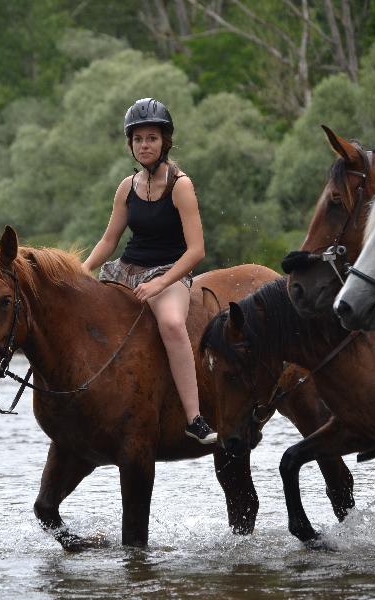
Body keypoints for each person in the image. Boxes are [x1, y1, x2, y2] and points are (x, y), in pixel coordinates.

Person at [81, 98, 216, 444]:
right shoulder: (126, 187)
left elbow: (197, 251)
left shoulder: (180, 185)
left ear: (164, 142)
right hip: (126, 268)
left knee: (171, 324)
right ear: (131, 144)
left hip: (170, 271)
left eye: (151, 138)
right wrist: (80, 271)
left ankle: (194, 417)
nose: (145, 145)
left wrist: (159, 284)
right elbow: (109, 240)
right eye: (138, 139)